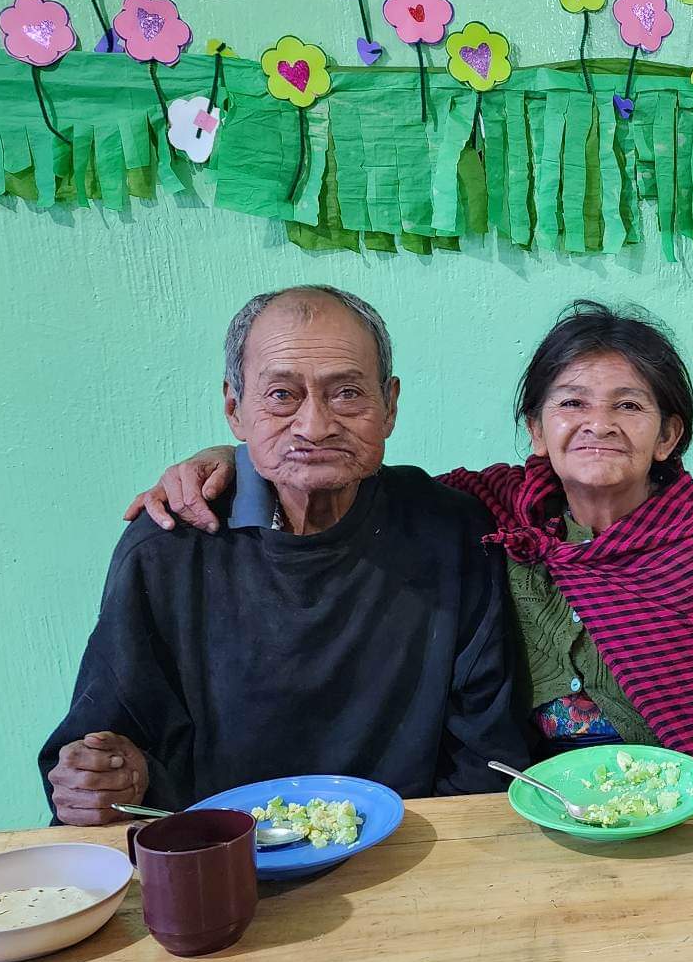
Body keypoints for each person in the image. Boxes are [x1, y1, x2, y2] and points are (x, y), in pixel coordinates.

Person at [125, 300, 693, 764]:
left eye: (629, 406)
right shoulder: (504, 509)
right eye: (571, 403)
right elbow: (362, 481)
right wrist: (235, 459)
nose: (598, 424)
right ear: (536, 431)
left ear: (668, 435)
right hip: (543, 806)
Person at [42, 286, 524, 824]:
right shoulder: (169, 546)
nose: (315, 426)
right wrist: (104, 779)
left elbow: (488, 757)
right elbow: (103, 754)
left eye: (346, 393)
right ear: (235, 409)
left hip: (409, 854)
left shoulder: (452, 530)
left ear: (389, 405)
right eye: (281, 395)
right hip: (223, 863)